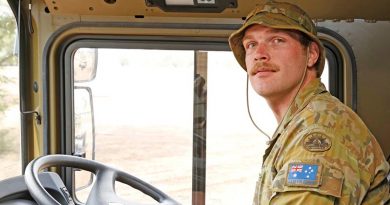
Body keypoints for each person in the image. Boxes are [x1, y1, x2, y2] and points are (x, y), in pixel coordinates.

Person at [228, 1, 390, 204]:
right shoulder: (298, 124)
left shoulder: (320, 129)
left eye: (277, 40)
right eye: (251, 44)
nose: (259, 54)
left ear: (311, 54)